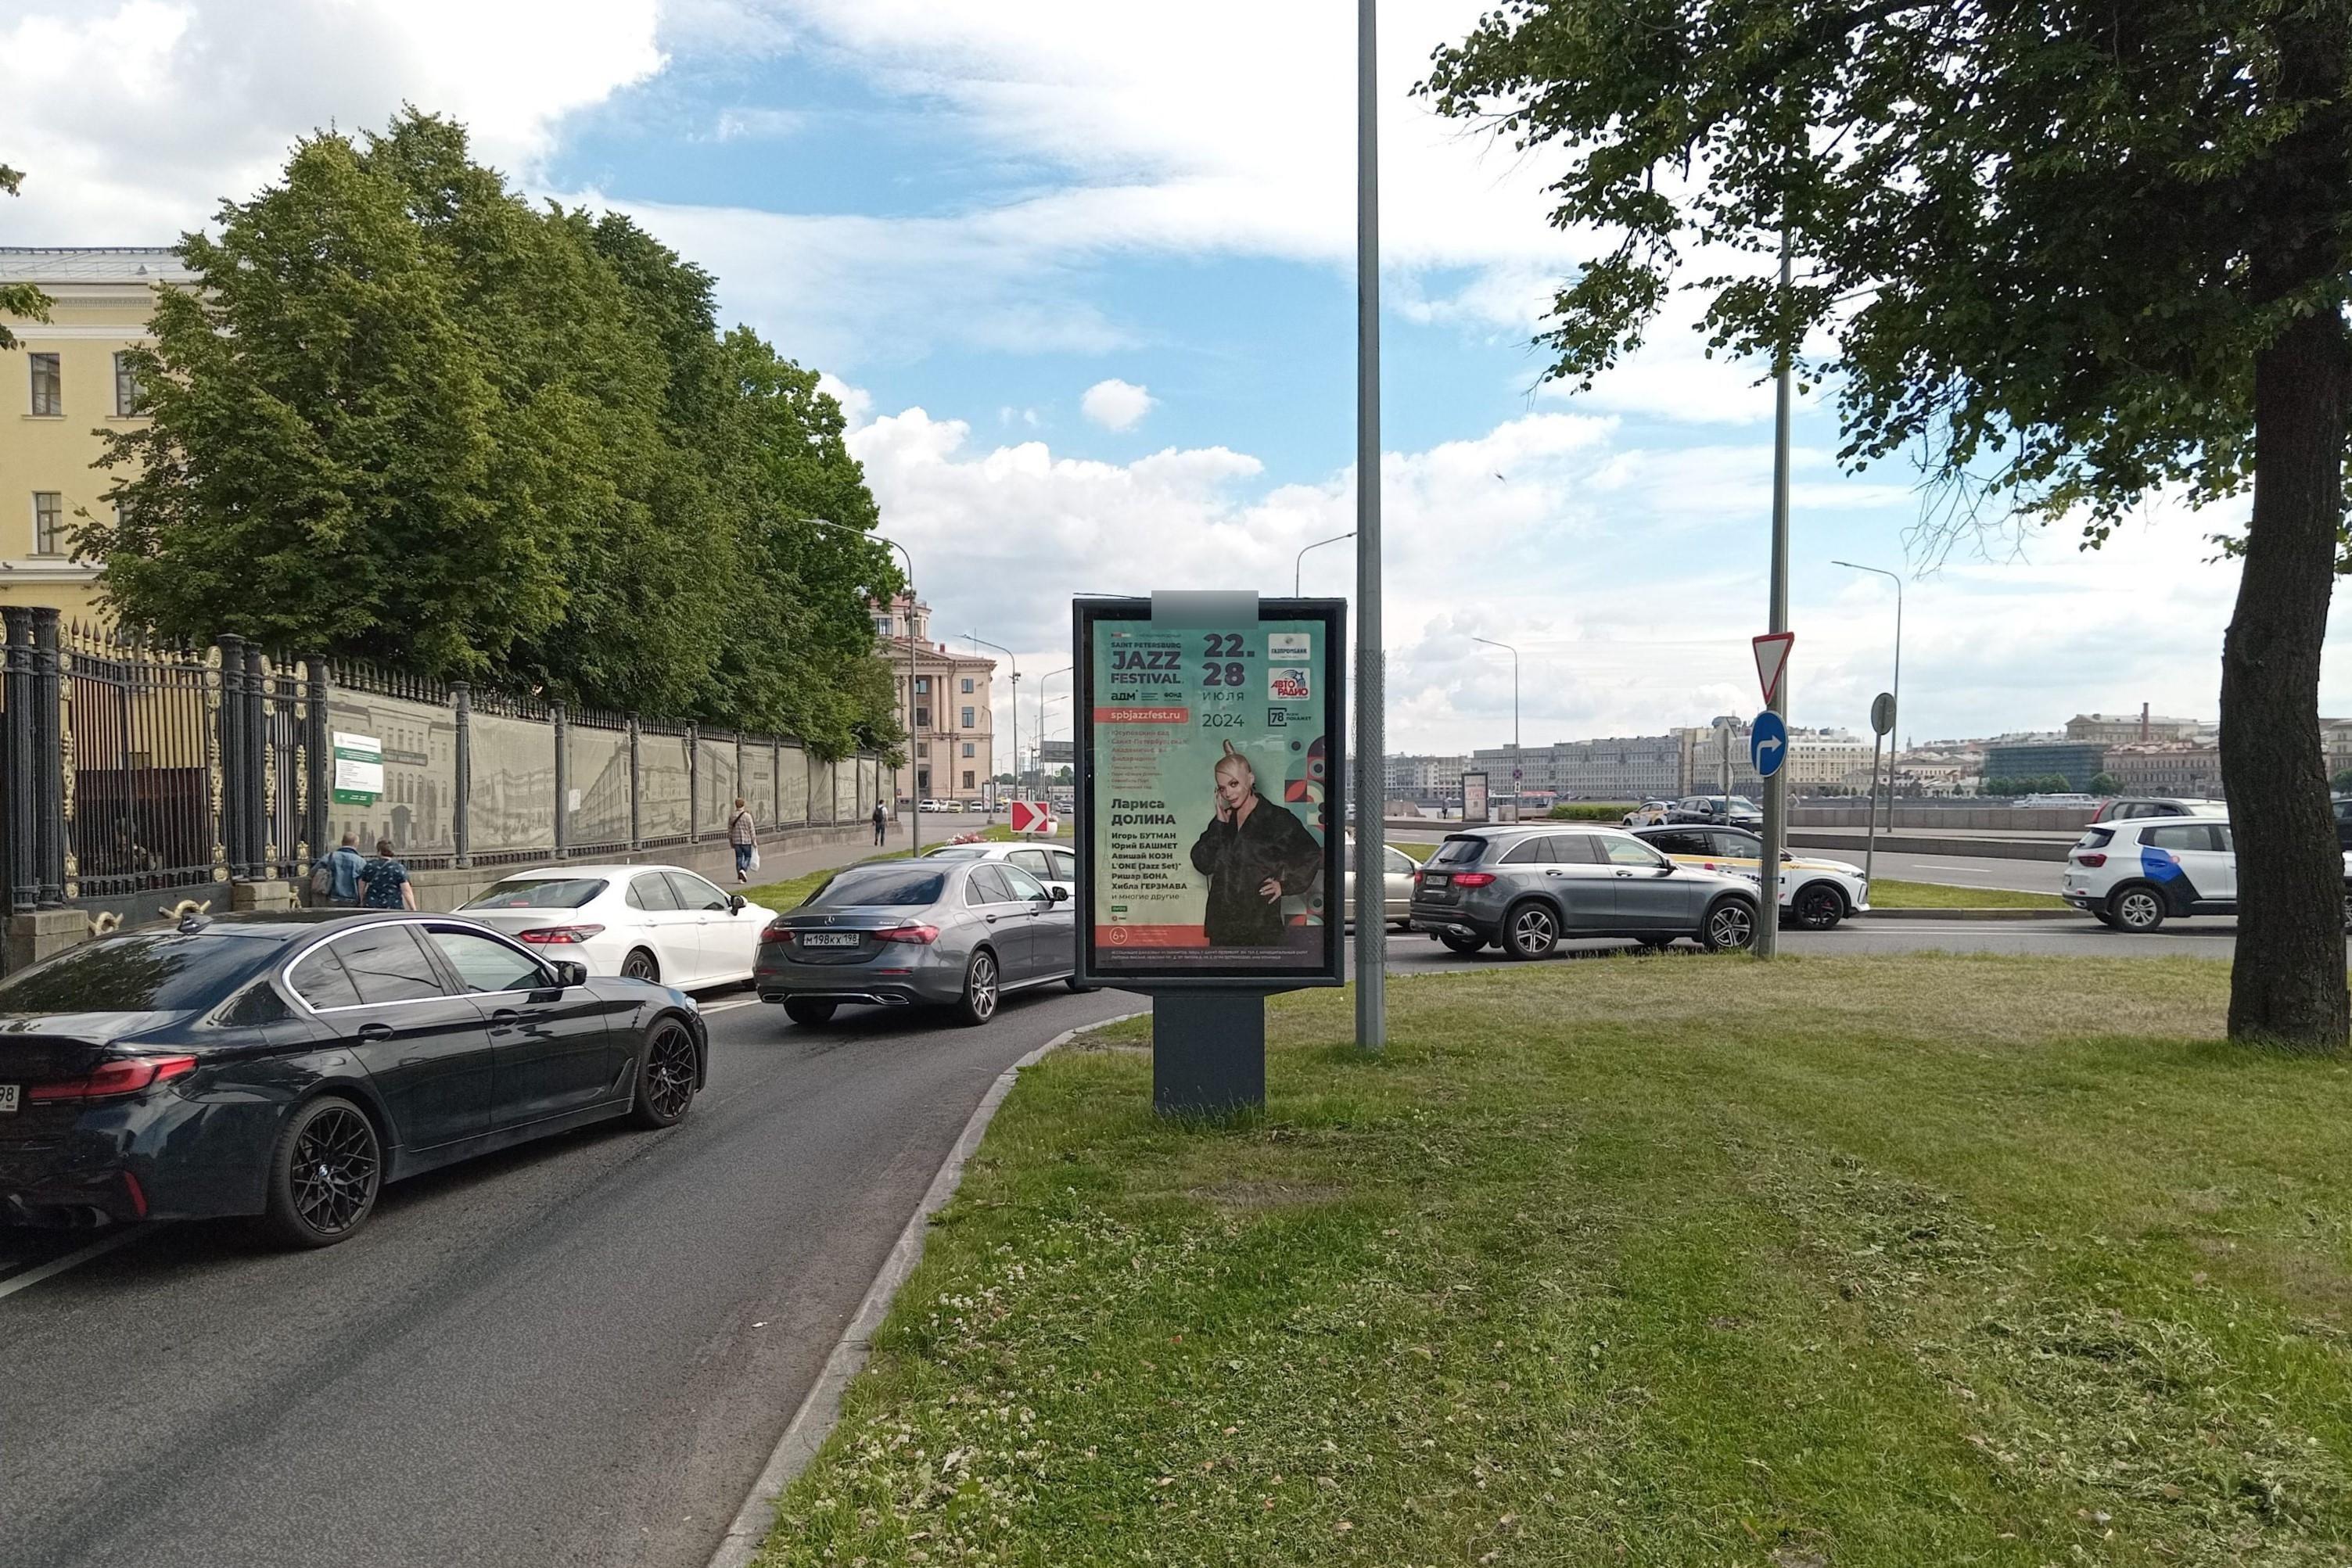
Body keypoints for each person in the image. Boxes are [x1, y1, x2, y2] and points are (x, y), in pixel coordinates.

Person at [1187, 742, 1323, 947]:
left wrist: (1284, 886)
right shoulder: (1223, 821)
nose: (1228, 794)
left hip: (1261, 926)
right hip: (1223, 928)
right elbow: (1203, 864)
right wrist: (1219, 826)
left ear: (1250, 780)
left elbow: (1310, 853)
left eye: (1234, 784)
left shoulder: (1277, 818)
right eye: (1222, 788)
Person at [357, 838, 417, 910]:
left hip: (372, 905)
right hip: (392, 906)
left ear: (379, 852)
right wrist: (413, 908)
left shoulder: (370, 865)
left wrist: (362, 900)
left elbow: (361, 884)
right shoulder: (398, 868)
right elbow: (406, 891)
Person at [318, 831, 366, 908]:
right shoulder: (360, 862)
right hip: (352, 900)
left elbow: (313, 872)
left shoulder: (329, 857)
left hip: (332, 898)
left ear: (342, 842)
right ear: (356, 843)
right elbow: (362, 883)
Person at [727, 797, 758, 883]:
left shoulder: (732, 816)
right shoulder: (747, 816)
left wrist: (731, 841)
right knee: (748, 857)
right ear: (743, 805)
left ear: (736, 805)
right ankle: (743, 870)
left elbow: (730, 830)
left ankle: (740, 878)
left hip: (736, 841)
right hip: (746, 840)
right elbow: (751, 829)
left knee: (739, 858)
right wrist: (754, 841)